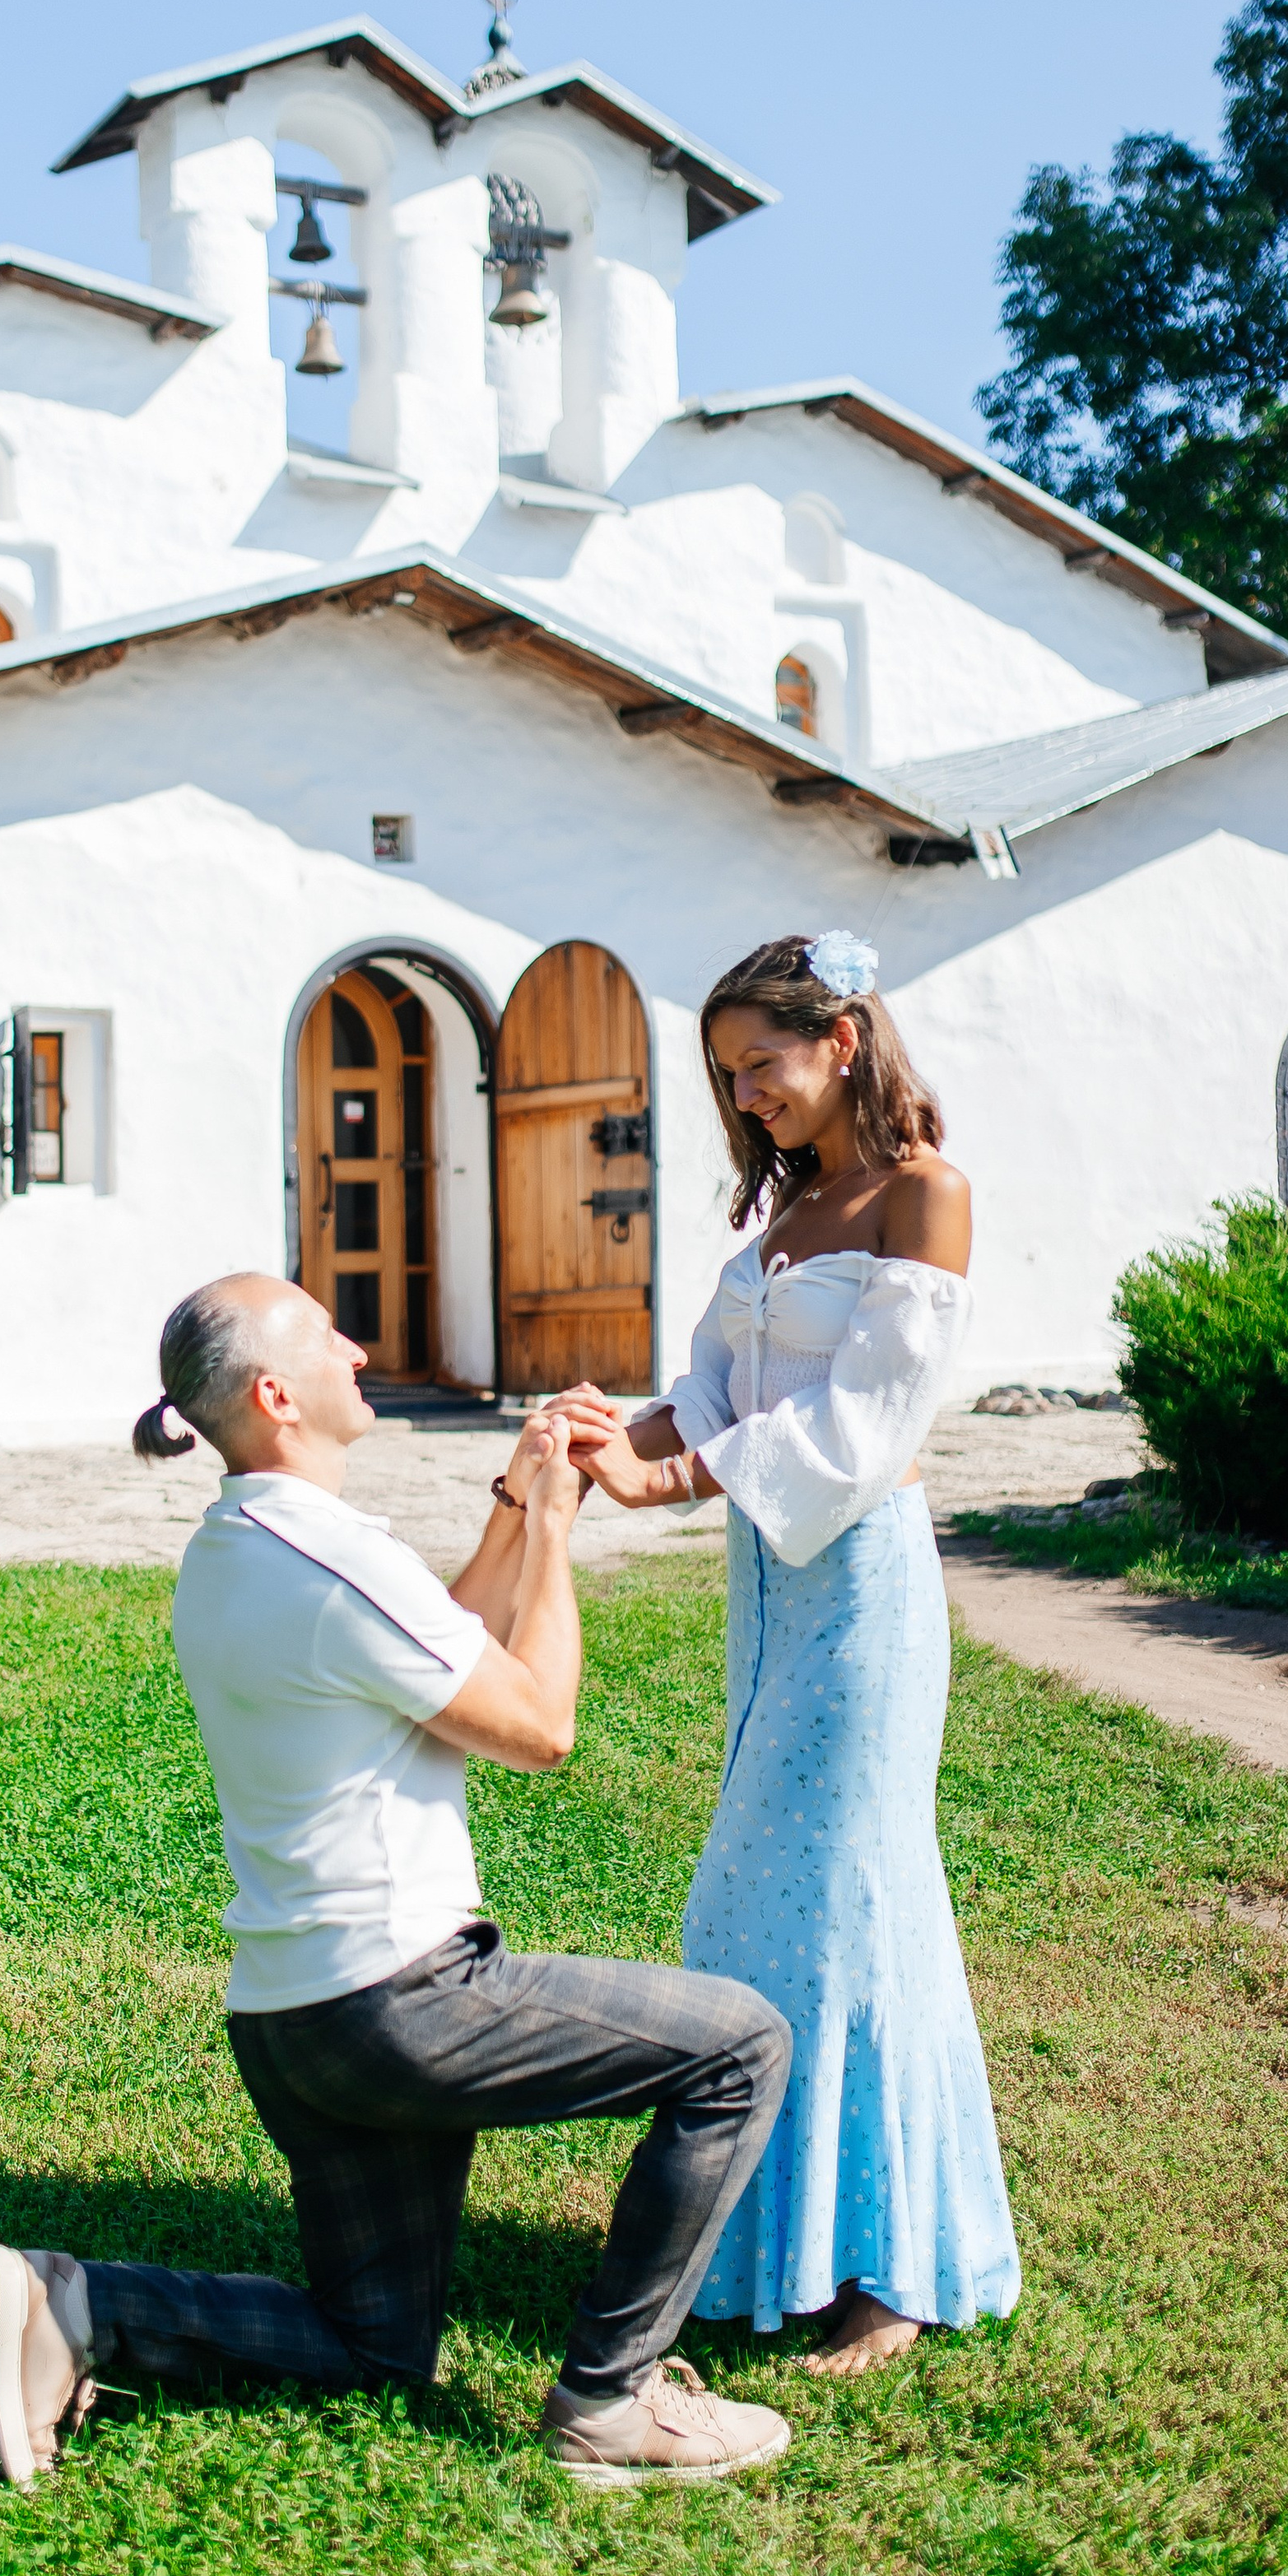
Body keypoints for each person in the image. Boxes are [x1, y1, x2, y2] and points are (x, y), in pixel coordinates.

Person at [0, 1273, 795, 2489]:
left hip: (295, 2028)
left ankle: (75, 2306)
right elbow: (533, 1725)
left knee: (372, 2348)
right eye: (326, 1336)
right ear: (275, 1393)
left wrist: (516, 1498)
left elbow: (433, 1662)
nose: (357, 1347)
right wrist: (558, 1530)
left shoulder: (238, 1547)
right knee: (741, 2046)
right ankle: (613, 2403)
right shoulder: (333, 1559)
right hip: (405, 2006)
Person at [547, 930, 1021, 2378]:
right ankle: (766, 2241)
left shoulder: (923, 1195)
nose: (745, 1094)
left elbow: (869, 1430)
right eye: (726, 1074)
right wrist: (601, 1434)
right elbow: (706, 1391)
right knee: (763, 1899)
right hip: (771, 1594)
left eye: (762, 1062)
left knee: (849, 1897)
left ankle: (892, 2268)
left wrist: (672, 1482)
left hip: (863, 1586)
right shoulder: (791, 1210)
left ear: (846, 1040)